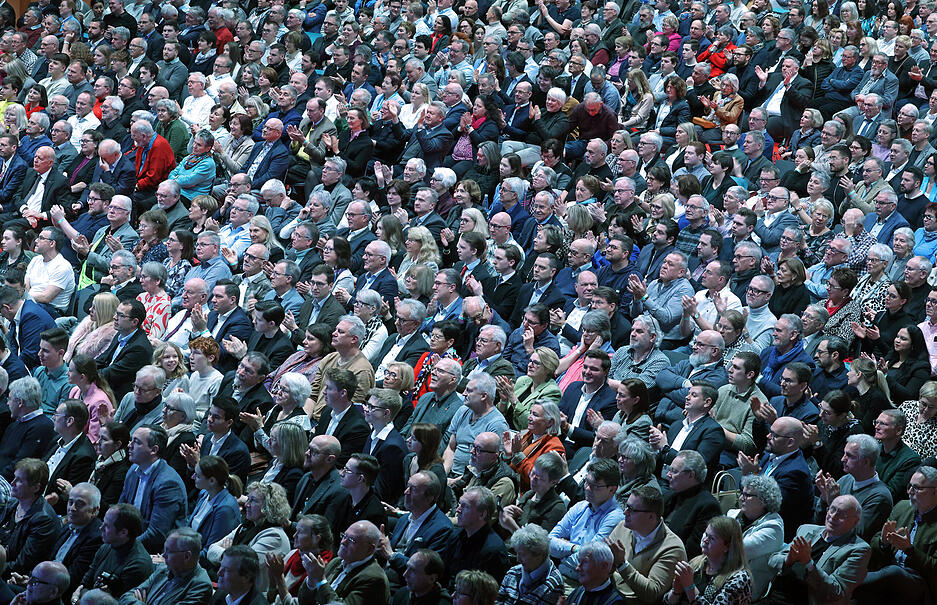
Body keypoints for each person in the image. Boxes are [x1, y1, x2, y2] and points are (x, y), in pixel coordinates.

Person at [767, 495, 871, 605]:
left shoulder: (859, 549)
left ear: (855, 522)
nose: (833, 516)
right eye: (832, 509)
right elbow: (772, 561)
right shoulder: (806, 530)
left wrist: (808, 563)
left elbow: (835, 592)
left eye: (842, 514)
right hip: (775, 595)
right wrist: (788, 560)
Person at [205, 482, 291, 591]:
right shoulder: (245, 526)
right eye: (248, 499)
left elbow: (241, 565)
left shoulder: (275, 536)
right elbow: (211, 549)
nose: (247, 504)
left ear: (269, 506)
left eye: (253, 500)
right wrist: (229, 554)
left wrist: (227, 552)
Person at [117, 425, 188, 554]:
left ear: (153, 450)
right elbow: (120, 511)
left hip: (158, 553)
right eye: (131, 440)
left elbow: (157, 534)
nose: (129, 445)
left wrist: (122, 544)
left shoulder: (168, 483)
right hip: (132, 542)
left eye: (136, 442)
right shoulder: (133, 470)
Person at [663, 516, 752, 605]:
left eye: (712, 538)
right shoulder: (696, 563)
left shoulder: (739, 579)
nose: (705, 540)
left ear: (727, 546)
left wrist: (690, 587)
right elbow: (667, 602)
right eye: (706, 535)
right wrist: (676, 592)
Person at [297, 520, 390, 604]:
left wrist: (320, 580)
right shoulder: (337, 562)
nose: (343, 542)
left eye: (351, 540)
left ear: (369, 549)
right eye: (344, 536)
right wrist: (312, 580)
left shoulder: (374, 579)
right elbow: (303, 601)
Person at [74, 504, 154, 600]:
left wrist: (80, 599)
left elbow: (122, 602)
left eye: (107, 526)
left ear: (123, 533)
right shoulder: (107, 546)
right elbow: (84, 584)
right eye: (103, 522)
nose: (101, 528)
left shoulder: (138, 565)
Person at [118, 527, 214, 605]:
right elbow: (126, 597)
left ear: (187, 556)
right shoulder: (163, 568)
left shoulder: (200, 586)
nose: (163, 555)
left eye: (169, 551)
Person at [725, 475, 784, 601]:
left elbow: (738, 551)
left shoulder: (774, 528)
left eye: (747, 495)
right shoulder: (733, 514)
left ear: (764, 500)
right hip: (722, 576)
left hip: (743, 593)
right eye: (741, 493)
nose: (741, 498)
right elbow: (707, 539)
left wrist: (717, 540)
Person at [0, 458, 62, 575]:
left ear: (35, 488)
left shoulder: (43, 520)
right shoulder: (13, 504)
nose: (12, 483)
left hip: (16, 577)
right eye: (14, 477)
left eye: (19, 480)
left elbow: (22, 564)